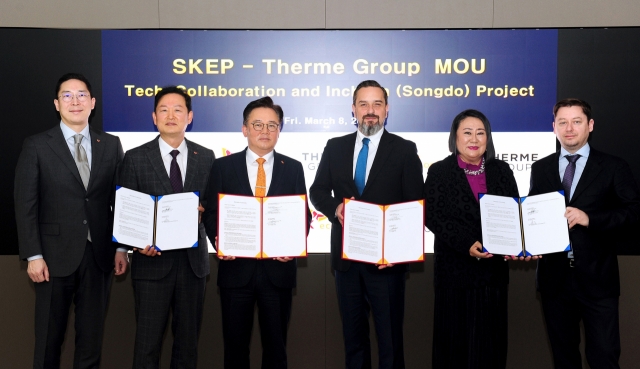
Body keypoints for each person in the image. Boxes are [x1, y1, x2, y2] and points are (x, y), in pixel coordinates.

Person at [14, 73, 127, 369]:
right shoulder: (37, 145)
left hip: (99, 256)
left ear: (92, 102)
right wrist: (33, 255)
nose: (74, 101)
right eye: (67, 95)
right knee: (49, 341)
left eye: (81, 95)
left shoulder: (111, 145)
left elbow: (121, 202)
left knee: (90, 342)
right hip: (52, 258)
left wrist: (120, 248)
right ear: (56, 103)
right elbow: (25, 204)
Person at [309, 80, 423, 369]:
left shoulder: (405, 150)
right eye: (363, 104)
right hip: (346, 263)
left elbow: (415, 205)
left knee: (390, 342)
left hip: (387, 264)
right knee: (354, 341)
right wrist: (335, 208)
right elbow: (318, 190)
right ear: (353, 109)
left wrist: (397, 253)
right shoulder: (335, 147)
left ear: (387, 110)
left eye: (377, 104)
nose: (370, 111)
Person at [529, 98, 640, 369]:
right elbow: (532, 214)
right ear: (553, 127)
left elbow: (634, 213)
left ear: (589, 125)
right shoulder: (540, 167)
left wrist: (590, 218)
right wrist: (528, 242)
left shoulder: (614, 166)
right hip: (554, 281)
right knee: (564, 359)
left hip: (598, 280)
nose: (569, 128)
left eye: (576, 121)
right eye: (563, 122)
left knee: (603, 357)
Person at [203, 96, 310, 369]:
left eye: (272, 125)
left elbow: (303, 214)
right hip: (236, 272)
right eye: (258, 124)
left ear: (280, 130)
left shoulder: (294, 167)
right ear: (244, 128)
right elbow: (212, 212)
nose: (265, 131)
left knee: (276, 351)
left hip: (278, 275)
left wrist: (293, 244)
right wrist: (219, 242)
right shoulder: (222, 166)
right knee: (235, 351)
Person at [117, 86, 215, 369]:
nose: (171, 115)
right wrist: (133, 243)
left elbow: (212, 206)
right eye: (164, 109)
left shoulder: (206, 157)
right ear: (154, 117)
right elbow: (126, 210)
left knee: (187, 348)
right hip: (151, 265)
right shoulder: (135, 157)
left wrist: (203, 212)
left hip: (193, 266)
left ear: (190, 116)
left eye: (178, 110)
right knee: (147, 346)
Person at [423, 109, 518, 369]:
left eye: (480, 132)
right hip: (454, 274)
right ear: (455, 137)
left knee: (490, 347)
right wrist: (466, 244)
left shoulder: (501, 170)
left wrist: (516, 244)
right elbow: (432, 216)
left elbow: (513, 213)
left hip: (493, 274)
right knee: (453, 348)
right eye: (467, 132)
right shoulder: (440, 171)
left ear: (488, 138)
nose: (474, 138)